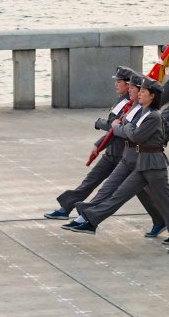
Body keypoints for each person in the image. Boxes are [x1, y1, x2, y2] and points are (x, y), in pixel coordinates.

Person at [68, 78, 169, 254]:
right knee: (118, 195)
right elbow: (130, 129)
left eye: (143, 92)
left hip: (154, 166)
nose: (139, 94)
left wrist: (125, 128)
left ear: (152, 96)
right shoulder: (142, 112)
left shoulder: (153, 117)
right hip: (141, 163)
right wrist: (127, 128)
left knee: (167, 203)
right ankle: (91, 220)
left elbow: (135, 136)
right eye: (139, 90)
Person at [44, 66, 135, 220]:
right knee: (89, 182)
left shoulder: (131, 104)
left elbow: (116, 127)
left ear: (128, 85)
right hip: (111, 152)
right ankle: (66, 208)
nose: (115, 84)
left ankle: (161, 220)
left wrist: (100, 123)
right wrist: (98, 145)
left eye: (119, 82)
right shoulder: (120, 101)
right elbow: (113, 128)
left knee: (143, 192)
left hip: (123, 154)